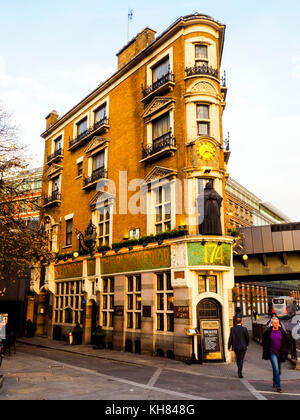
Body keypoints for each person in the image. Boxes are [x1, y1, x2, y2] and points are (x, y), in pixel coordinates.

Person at [262, 317, 289, 393]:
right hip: (272, 353)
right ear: (272, 324)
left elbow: (287, 340)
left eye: (277, 323)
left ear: (279, 324)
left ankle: (274, 380)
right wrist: (265, 349)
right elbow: (264, 340)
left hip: (280, 353)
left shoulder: (282, 331)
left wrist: (286, 350)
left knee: (279, 371)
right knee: (276, 369)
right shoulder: (269, 331)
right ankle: (278, 387)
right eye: (274, 323)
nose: (276, 324)